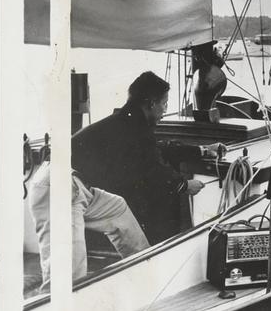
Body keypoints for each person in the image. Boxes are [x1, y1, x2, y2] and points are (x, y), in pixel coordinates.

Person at [72, 71, 219, 245]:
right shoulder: (134, 128)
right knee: (74, 264)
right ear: (150, 103)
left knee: (120, 213)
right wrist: (184, 185)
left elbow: (153, 150)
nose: (164, 111)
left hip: (79, 184)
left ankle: (140, 262)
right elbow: (153, 167)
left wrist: (201, 151)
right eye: (164, 104)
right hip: (63, 185)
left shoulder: (127, 122)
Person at [28, 162, 150, 291]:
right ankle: (56, 306)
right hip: (56, 186)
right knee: (69, 276)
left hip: (77, 184)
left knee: (117, 208)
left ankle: (145, 272)